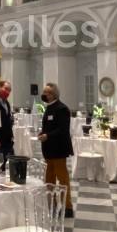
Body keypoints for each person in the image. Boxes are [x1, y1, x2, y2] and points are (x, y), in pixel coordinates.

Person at [38, 82, 75, 218]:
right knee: (49, 178)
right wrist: (43, 133)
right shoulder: (48, 108)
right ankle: (51, 203)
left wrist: (47, 135)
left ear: (53, 94)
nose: (44, 94)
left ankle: (68, 207)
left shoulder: (62, 109)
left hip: (59, 149)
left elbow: (62, 129)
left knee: (63, 179)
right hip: (48, 150)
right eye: (44, 92)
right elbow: (49, 126)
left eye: (47, 92)